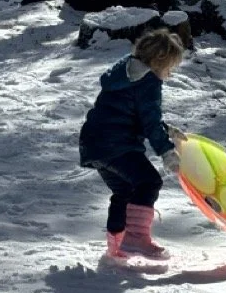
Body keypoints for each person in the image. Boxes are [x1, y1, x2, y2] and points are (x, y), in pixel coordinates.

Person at [79, 28, 185, 261]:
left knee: (125, 191)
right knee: (149, 181)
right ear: (160, 60)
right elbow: (149, 122)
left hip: (94, 144)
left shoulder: (126, 71)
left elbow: (134, 112)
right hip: (117, 145)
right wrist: (167, 151)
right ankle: (136, 238)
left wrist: (168, 130)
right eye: (170, 66)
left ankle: (116, 244)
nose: (170, 72)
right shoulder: (148, 81)